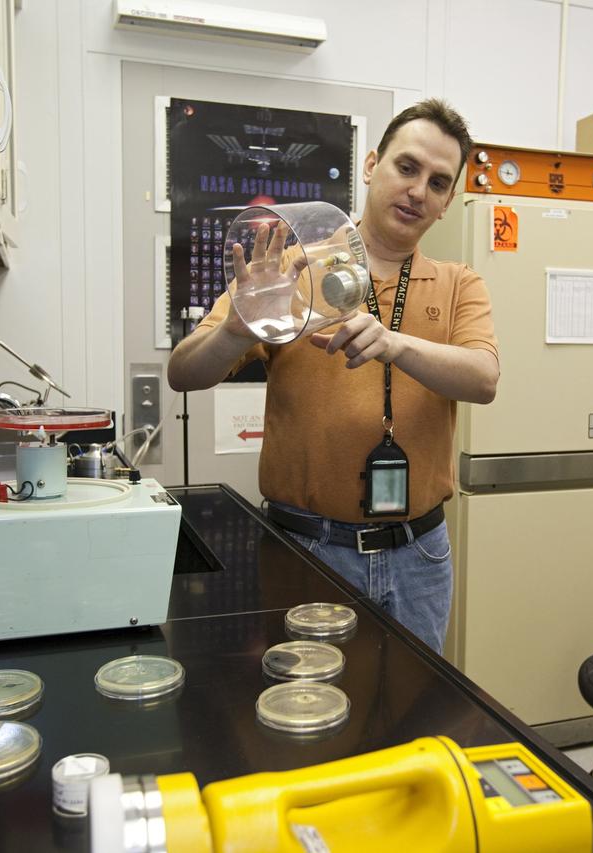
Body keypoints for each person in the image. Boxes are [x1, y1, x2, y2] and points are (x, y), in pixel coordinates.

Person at [167, 99, 499, 653]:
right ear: (371, 165)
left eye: (439, 183)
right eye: (407, 167)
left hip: (419, 554)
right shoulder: (291, 271)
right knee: (309, 702)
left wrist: (396, 344)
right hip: (307, 549)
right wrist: (239, 327)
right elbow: (183, 373)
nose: (418, 191)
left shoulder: (458, 283)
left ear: (447, 204)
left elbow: (484, 378)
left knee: (417, 702)